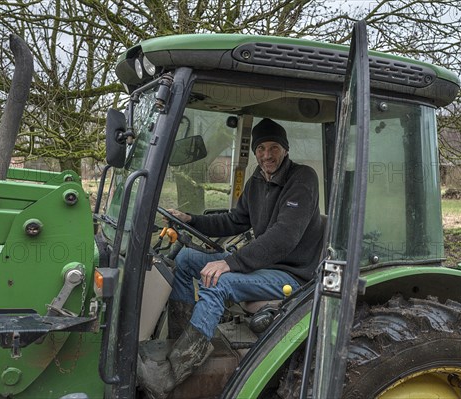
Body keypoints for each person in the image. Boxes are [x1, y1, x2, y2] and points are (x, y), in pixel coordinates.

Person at [137, 118, 324, 397]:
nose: (267, 154)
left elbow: (284, 237)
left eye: (274, 147)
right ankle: (183, 341)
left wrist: (229, 263)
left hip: (292, 273)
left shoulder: (302, 178)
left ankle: (173, 374)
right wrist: (192, 219)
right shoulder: (257, 181)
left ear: (285, 149)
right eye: (261, 148)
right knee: (187, 258)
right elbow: (236, 221)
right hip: (262, 264)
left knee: (217, 281)